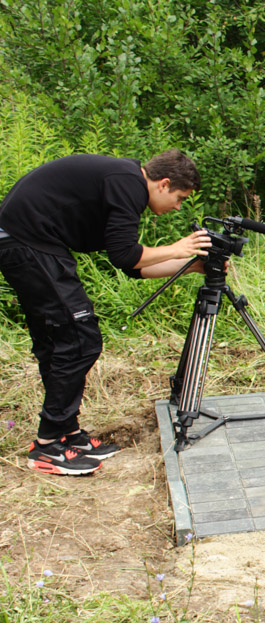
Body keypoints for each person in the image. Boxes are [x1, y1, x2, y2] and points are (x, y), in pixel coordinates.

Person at [0, 149, 212, 475]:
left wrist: (191, 265)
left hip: (25, 242)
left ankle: (67, 434)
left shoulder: (123, 183)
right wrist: (179, 247)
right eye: (180, 197)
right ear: (164, 183)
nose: (178, 206)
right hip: (29, 243)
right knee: (80, 337)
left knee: (59, 341)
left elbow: (130, 264)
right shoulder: (128, 183)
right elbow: (126, 253)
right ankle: (48, 446)